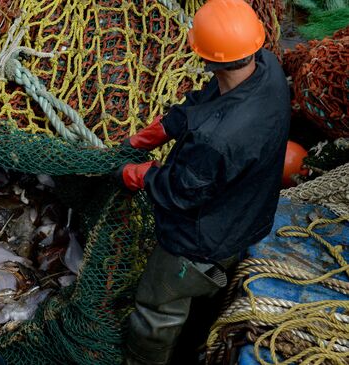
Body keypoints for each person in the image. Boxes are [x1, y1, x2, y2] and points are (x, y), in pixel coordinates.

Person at [115, 0, 290, 364]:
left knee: (158, 303)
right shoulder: (268, 68)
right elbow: (212, 100)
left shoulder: (217, 140)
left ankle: (145, 358)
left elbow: (180, 192)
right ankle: (200, 321)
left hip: (200, 240)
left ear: (208, 59)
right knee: (207, 289)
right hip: (249, 215)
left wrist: (142, 174)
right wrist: (168, 126)